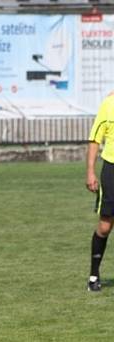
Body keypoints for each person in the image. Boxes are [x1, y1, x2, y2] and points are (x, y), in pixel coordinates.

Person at [86, 93, 114, 291]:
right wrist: (90, 172)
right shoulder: (108, 104)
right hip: (112, 169)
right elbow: (95, 139)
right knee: (105, 226)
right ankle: (94, 276)